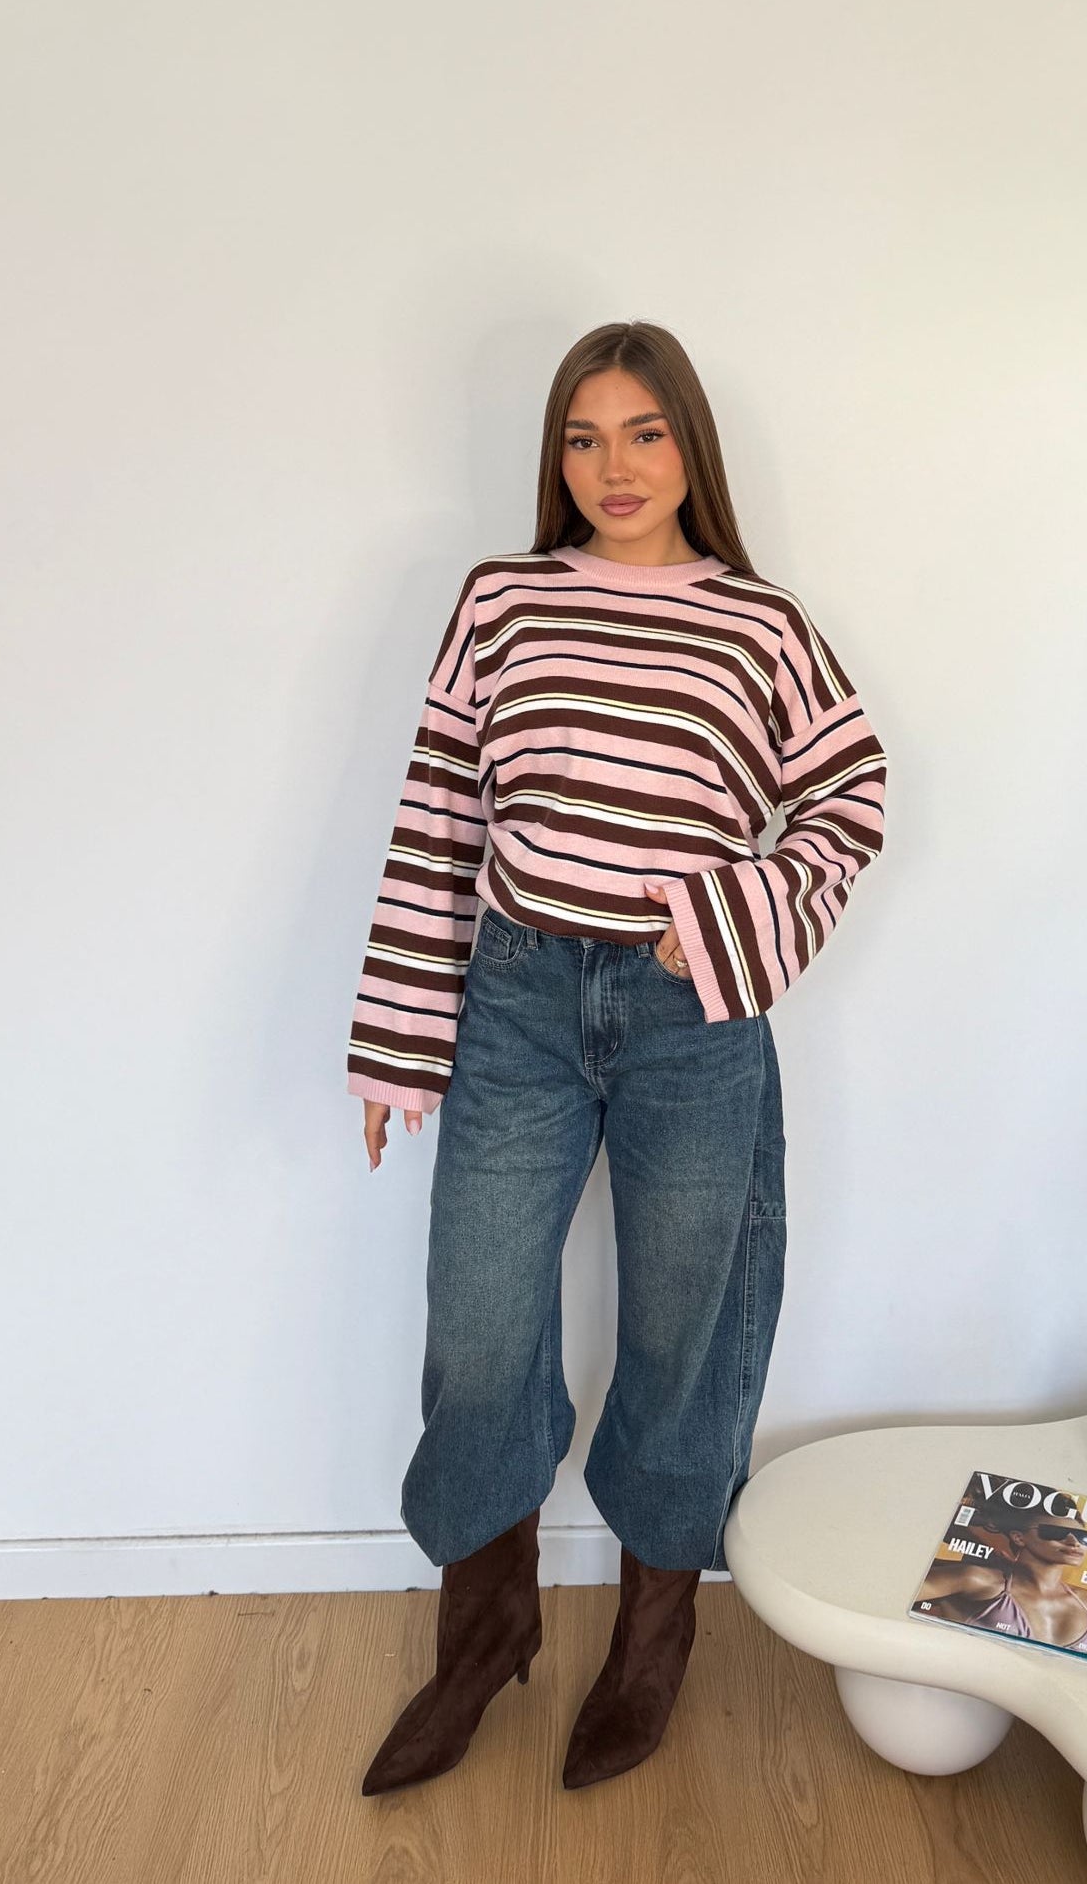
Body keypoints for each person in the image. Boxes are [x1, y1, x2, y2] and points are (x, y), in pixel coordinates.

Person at [348, 320, 889, 1796]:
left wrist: (717, 925)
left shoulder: (758, 625)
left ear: (689, 446)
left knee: (683, 1331)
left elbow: (848, 796)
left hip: (688, 1018)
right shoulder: (502, 600)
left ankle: (654, 1636)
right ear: (557, 457)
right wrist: (399, 1041)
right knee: (478, 1325)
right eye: (583, 438)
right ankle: (486, 1630)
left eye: (644, 433)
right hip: (518, 1002)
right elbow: (439, 818)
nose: (614, 466)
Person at [913, 1513, 1087, 1656]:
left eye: (1083, 1537)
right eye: (1055, 1533)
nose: (1074, 1542)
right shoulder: (978, 1580)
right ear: (1018, 1537)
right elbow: (902, 1586)